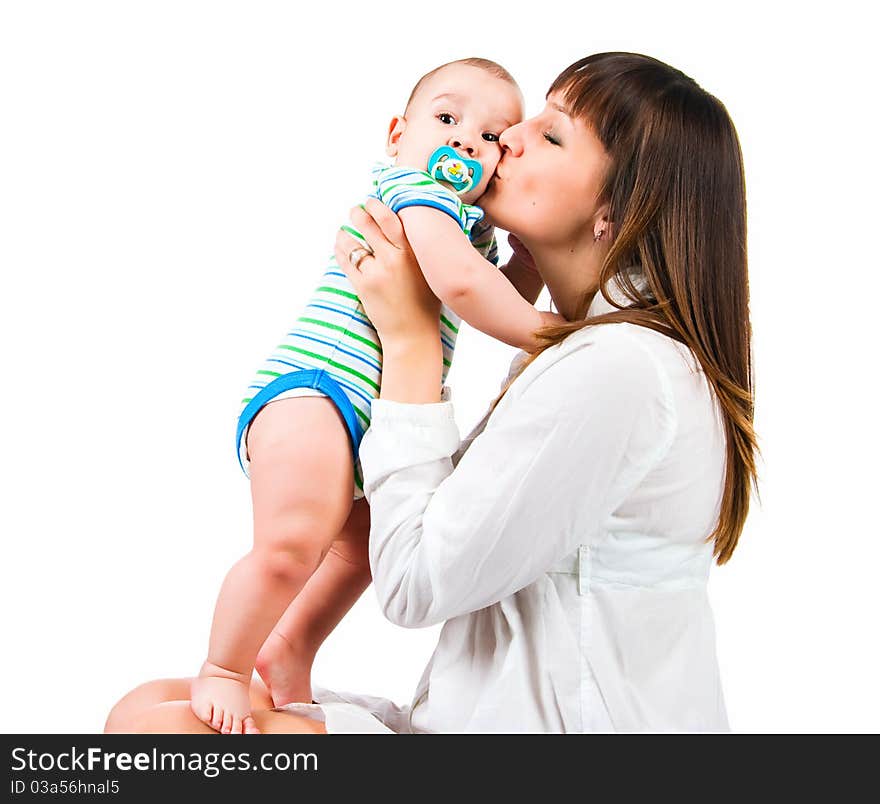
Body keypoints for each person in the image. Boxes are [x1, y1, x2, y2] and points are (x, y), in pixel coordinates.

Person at [105, 51, 757, 734]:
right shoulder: (599, 353)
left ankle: (260, 657)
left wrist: (412, 340)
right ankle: (272, 654)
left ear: (614, 214)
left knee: (158, 737)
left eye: (551, 134)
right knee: (144, 708)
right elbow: (458, 511)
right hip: (476, 716)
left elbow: (416, 582)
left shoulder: (615, 367)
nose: (506, 139)